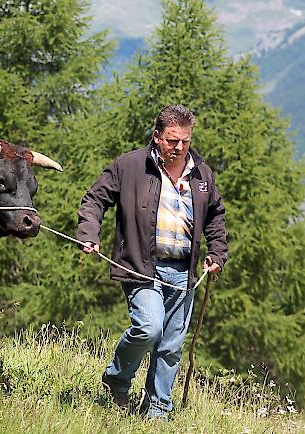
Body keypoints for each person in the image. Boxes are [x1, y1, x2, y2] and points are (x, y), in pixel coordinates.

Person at [76, 104, 228, 418]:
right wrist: (89, 231)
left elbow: (215, 217)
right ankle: (117, 378)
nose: (180, 147)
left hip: (184, 272)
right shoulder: (130, 165)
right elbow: (95, 198)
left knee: (171, 346)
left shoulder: (202, 174)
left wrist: (217, 253)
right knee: (148, 327)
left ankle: (157, 410)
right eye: (173, 140)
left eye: (185, 140)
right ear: (156, 136)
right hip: (140, 266)